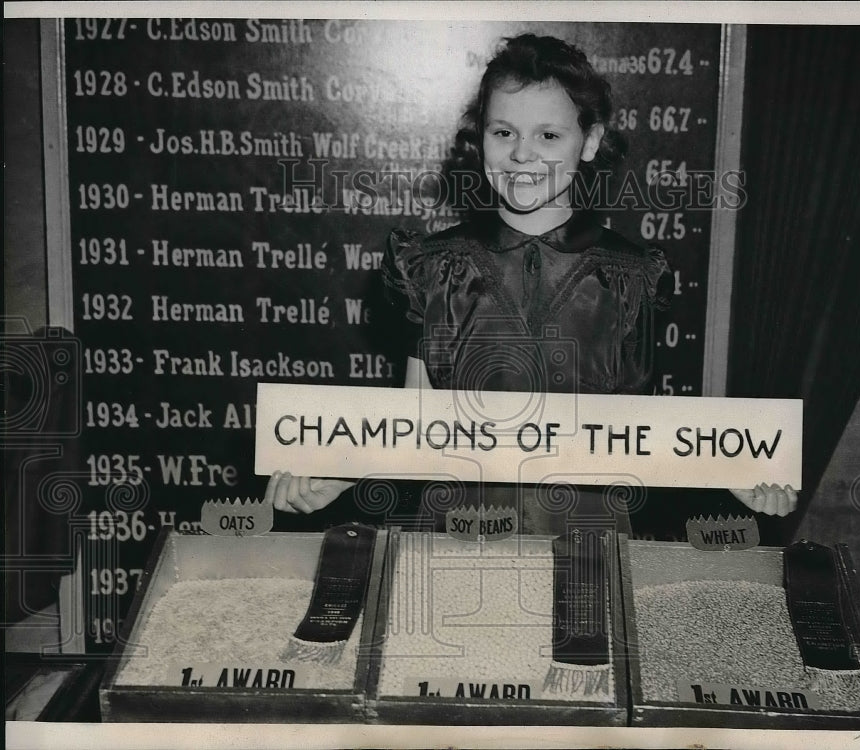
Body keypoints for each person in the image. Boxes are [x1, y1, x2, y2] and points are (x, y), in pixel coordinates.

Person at [265, 33, 796, 531]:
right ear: (481, 139)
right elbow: (413, 425)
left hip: (589, 539)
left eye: (549, 135)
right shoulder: (430, 267)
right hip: (457, 534)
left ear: (589, 141)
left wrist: (732, 471)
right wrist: (339, 471)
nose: (523, 155)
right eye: (504, 133)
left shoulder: (630, 277)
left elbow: (641, 434)